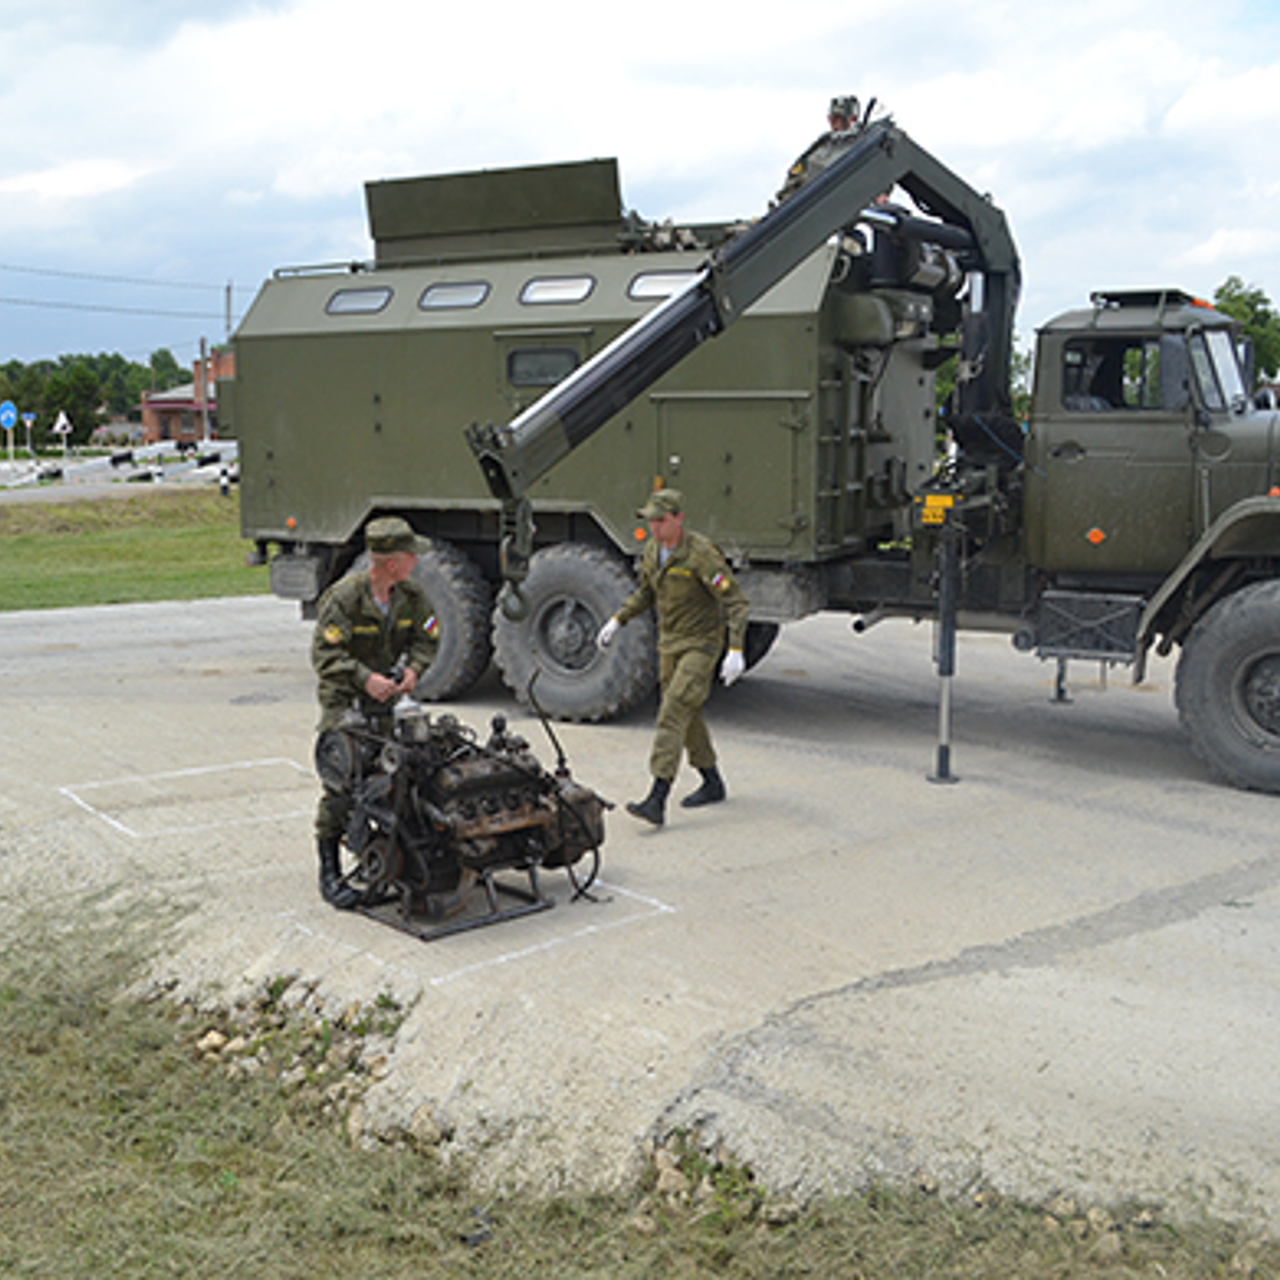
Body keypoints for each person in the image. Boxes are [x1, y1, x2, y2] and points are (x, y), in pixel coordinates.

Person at [596, 489, 750, 827]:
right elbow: (647, 592)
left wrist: (735, 649)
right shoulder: (654, 550)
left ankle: (657, 797)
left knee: (672, 712)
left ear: (678, 518)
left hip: (701, 645)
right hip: (670, 644)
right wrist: (617, 619)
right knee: (688, 714)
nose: (654, 527)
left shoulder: (701, 554)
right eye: (651, 520)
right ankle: (712, 781)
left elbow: (736, 603)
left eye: (661, 520)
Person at [311, 516, 438, 907]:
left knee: (392, 775)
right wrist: (365, 678)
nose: (417, 561)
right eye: (410, 556)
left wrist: (414, 669)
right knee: (343, 782)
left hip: (384, 700)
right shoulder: (344, 598)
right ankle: (329, 871)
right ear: (391, 562)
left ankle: (389, 853)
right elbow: (325, 655)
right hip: (345, 700)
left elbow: (427, 636)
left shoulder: (411, 597)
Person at [775, 94, 862, 204]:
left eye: (839, 118)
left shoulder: (859, 146)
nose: (834, 122)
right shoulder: (822, 144)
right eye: (832, 118)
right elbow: (797, 172)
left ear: (851, 119)